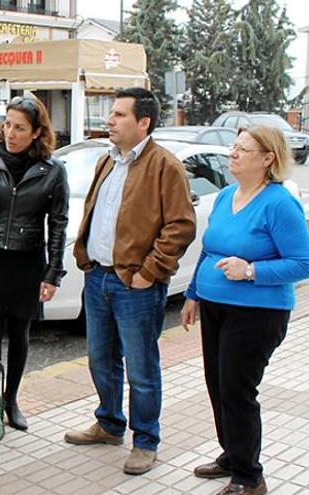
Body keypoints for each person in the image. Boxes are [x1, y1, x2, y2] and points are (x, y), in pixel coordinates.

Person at [65, 87, 196, 475]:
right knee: (100, 359)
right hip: (99, 277)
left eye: (120, 115)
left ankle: (146, 440)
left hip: (134, 285)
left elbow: (180, 226)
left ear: (144, 122)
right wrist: (85, 257)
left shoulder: (164, 165)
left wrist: (148, 273)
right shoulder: (108, 160)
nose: (110, 120)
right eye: (111, 113)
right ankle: (108, 423)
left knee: (141, 366)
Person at [181, 126, 309, 495]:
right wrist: (193, 294)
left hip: (257, 313)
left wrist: (252, 270)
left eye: (243, 149)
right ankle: (232, 453)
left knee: (237, 390)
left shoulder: (279, 202)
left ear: (268, 158)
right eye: (234, 147)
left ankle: (249, 477)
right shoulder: (227, 195)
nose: (232, 154)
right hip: (215, 308)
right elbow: (210, 249)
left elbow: (304, 264)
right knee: (217, 384)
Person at [0, 95, 69, 431]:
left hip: (27, 259)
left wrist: (53, 272)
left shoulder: (53, 171)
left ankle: (12, 400)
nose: (11, 133)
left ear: (36, 132)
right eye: (7, 124)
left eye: (20, 127)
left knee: (20, 333)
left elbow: (59, 223)